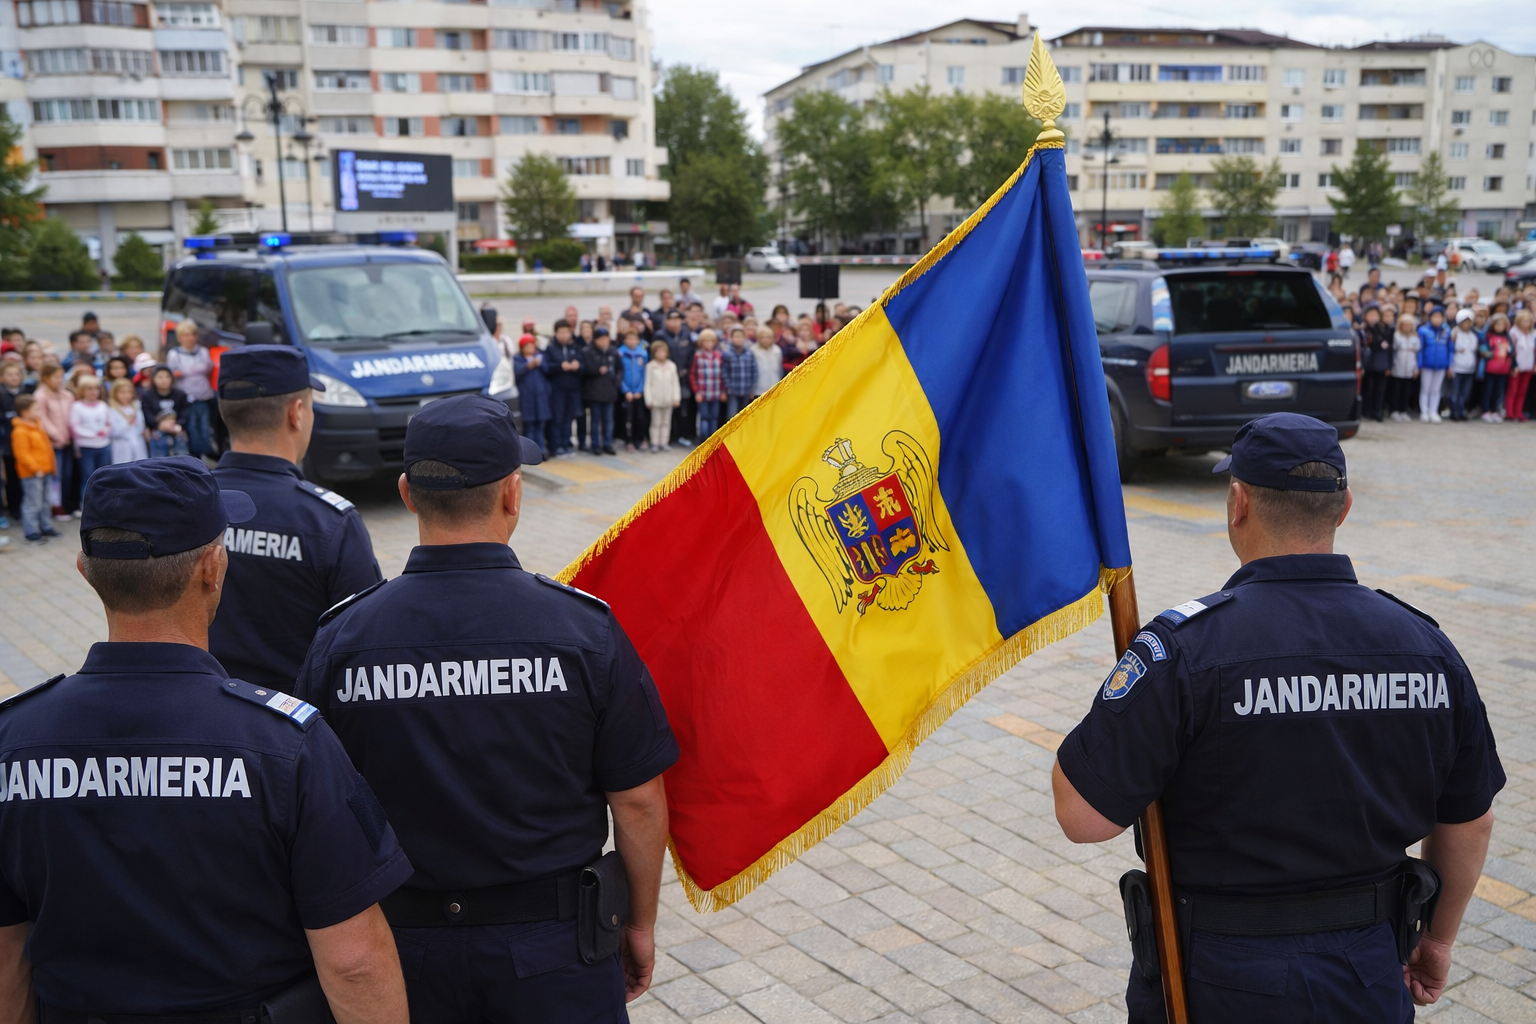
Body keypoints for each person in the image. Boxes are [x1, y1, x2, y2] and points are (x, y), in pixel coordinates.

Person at [1051, 413, 1503, 1023]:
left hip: (1216, 981)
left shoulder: (1186, 650)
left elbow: (1082, 816)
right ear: (1343, 509)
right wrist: (1439, 940)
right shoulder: (1427, 649)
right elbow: (1470, 819)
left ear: (1238, 503)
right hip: (1368, 973)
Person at [293, 395, 678, 1021]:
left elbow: (315, 810)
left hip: (402, 957)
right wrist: (640, 923)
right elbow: (637, 800)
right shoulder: (584, 631)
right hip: (558, 955)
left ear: (408, 495)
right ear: (513, 494)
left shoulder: (343, 638)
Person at [0, 457, 414, 1020]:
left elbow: (8, 962)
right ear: (212, 569)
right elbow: (354, 964)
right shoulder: (287, 746)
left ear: (85, 570)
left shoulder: (14, 740)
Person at [209, 345, 382, 691]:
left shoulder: (184, 504)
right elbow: (365, 645)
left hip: (200, 712)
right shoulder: (328, 521)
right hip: (297, 716)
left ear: (226, 412)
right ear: (297, 413)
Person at [10, 394, 58, 542]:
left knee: (45, 501)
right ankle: (30, 531)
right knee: (32, 502)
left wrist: (52, 466)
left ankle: (46, 527)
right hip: (32, 474)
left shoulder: (38, 426)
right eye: (36, 409)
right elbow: (22, 454)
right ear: (25, 412)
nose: (39, 411)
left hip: (45, 470)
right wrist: (35, 468)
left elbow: (47, 449)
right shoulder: (20, 431)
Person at [166, 320, 216, 457]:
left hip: (203, 396)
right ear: (179, 337)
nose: (190, 338)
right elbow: (172, 374)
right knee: (191, 428)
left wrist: (184, 371)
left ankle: (205, 454)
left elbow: (207, 367)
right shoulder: (174, 354)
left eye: (193, 334)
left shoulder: (203, 351)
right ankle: (194, 457)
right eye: (186, 335)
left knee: (204, 428)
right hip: (186, 398)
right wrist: (195, 370)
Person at [34, 364, 75, 519]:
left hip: (68, 441)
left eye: (61, 377)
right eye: (55, 377)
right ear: (46, 378)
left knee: (67, 475)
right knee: (56, 477)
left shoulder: (67, 395)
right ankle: (55, 506)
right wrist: (58, 435)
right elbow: (42, 419)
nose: (59, 380)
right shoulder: (40, 396)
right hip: (52, 443)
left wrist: (71, 435)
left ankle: (65, 504)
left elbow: (72, 416)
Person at [543, 320, 584, 457]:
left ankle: (566, 444)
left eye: (567, 332)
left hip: (572, 390)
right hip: (557, 391)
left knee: (569, 419)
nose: (565, 335)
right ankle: (556, 446)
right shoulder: (550, 349)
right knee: (557, 419)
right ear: (556, 333)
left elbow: (583, 367)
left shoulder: (574, 347)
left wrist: (578, 366)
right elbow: (546, 368)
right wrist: (560, 366)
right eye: (561, 332)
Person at [581, 328, 622, 456]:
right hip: (594, 392)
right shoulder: (588, 351)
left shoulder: (613, 351)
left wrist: (616, 382)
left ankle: (607, 443)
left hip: (610, 391)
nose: (604, 341)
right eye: (601, 339)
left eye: (606, 338)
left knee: (608, 420)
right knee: (595, 420)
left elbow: (620, 369)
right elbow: (586, 370)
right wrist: (598, 370)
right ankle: (595, 445)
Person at [69, 375, 112, 489]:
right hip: (86, 447)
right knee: (88, 477)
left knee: (104, 476)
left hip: (103, 445)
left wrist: (105, 431)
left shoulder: (102, 405)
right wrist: (92, 434)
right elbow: (74, 427)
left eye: (96, 388)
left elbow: (109, 423)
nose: (93, 392)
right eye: (89, 389)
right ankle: (86, 499)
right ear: (82, 390)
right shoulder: (77, 406)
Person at [514, 336, 553, 457]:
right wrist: (528, 365)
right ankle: (530, 453)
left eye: (532, 345)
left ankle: (542, 450)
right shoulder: (517, 360)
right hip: (527, 399)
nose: (531, 348)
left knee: (540, 426)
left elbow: (548, 370)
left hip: (541, 399)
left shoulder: (540, 357)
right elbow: (516, 373)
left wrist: (539, 364)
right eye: (528, 346)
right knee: (529, 427)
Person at [644, 340, 679, 453]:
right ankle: (655, 442)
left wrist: (676, 397)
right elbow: (648, 384)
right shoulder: (650, 366)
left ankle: (664, 442)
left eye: (663, 352)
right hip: (656, 399)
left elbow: (675, 383)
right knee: (656, 422)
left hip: (668, 399)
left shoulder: (671, 366)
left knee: (666, 422)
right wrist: (648, 399)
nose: (661, 354)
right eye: (658, 352)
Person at [1417, 307, 1451, 423]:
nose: (1437, 319)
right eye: (1434, 316)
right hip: (1427, 364)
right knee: (1425, 388)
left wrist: (1449, 364)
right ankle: (1424, 411)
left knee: (1436, 389)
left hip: (1441, 365)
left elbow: (1450, 349)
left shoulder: (1446, 331)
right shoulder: (1423, 330)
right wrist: (1419, 364)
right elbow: (1420, 349)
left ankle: (1433, 411)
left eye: (1439, 317)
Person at [618, 326, 649, 452]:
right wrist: (626, 391)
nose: (631, 341)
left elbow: (644, 373)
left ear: (638, 340)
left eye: (634, 339)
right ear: (625, 340)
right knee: (628, 418)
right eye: (629, 338)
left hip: (638, 392)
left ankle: (639, 439)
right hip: (627, 392)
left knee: (640, 417)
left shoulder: (643, 353)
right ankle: (628, 440)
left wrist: (640, 390)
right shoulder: (620, 353)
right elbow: (619, 374)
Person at [1359, 305, 1392, 422]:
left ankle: (1376, 411)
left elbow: (1389, 348)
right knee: (1367, 389)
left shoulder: (1385, 329)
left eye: (1375, 315)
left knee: (1380, 390)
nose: (1373, 317)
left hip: (1381, 363)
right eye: (1370, 314)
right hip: (1367, 364)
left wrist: (1389, 365)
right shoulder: (1362, 330)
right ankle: (1365, 411)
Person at [1447, 309, 1480, 422]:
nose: (1467, 324)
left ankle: (1461, 411)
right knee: (1455, 392)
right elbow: (1451, 349)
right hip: (1457, 367)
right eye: (1464, 321)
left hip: (1469, 369)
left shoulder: (1473, 336)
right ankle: (1454, 412)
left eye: (1469, 322)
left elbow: (1474, 350)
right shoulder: (1454, 333)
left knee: (1465, 393)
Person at [1479, 314, 1513, 423]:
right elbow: (1483, 349)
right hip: (1490, 368)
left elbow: (1511, 350)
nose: (1499, 327)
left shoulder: (1507, 337)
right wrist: (1491, 354)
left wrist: (1509, 351)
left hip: (1503, 369)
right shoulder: (1488, 336)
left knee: (1498, 391)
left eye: (1502, 325)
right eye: (1497, 324)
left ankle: (1494, 410)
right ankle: (1485, 410)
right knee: (1488, 390)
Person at [692, 329, 724, 441]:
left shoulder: (719, 355)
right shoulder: (697, 356)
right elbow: (693, 375)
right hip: (703, 393)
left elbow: (722, 374)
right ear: (701, 342)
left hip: (716, 392)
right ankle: (703, 439)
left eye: (711, 341)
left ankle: (712, 439)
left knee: (714, 416)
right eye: (706, 341)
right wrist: (696, 392)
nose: (709, 344)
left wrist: (723, 391)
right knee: (704, 416)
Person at [107, 378, 148, 464]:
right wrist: (127, 423)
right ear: (115, 393)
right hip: (122, 445)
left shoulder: (136, 406)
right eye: (122, 392)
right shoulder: (111, 410)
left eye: (129, 392)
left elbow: (141, 427)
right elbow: (114, 432)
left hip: (138, 443)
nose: (126, 395)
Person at [721, 326, 757, 421]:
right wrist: (728, 387)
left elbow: (754, 371)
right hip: (732, 390)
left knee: (744, 416)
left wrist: (752, 388)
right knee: (732, 416)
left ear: (744, 338)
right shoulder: (727, 353)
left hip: (746, 389)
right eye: (736, 337)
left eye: (740, 337)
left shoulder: (749, 353)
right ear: (731, 338)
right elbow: (724, 371)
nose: (738, 339)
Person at [1507, 309, 1535, 422]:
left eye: (1529, 321)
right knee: (1512, 390)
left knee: (1522, 391)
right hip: (1517, 366)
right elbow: (1511, 351)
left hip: (1528, 365)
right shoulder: (1513, 332)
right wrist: (1513, 365)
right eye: (1524, 320)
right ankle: (1510, 412)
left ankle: (1519, 412)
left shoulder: (1532, 333)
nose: (1527, 323)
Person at [751, 325, 784, 399]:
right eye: (763, 338)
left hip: (774, 387)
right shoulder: (753, 351)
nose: (766, 340)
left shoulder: (777, 350)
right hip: (759, 389)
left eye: (768, 337)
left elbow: (780, 370)